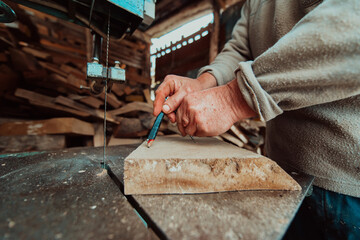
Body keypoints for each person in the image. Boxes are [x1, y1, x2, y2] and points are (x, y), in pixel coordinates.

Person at [153, 0, 360, 239]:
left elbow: (351, 26)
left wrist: (233, 99)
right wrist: (204, 83)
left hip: (345, 190)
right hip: (278, 173)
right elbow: (240, 50)